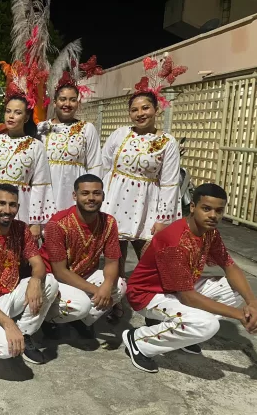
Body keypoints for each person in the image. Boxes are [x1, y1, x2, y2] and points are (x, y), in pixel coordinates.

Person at [123, 183, 257, 373]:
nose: (213, 215)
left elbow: (230, 265)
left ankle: (180, 332)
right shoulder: (175, 241)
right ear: (192, 207)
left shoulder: (210, 232)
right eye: (206, 208)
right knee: (207, 325)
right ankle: (138, 340)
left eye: (219, 211)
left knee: (236, 288)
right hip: (148, 295)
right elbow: (188, 297)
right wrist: (241, 315)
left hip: (178, 289)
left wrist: (252, 302)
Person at [0, 184, 59, 364]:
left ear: (18, 207)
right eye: (1, 204)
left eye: (12, 205)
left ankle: (25, 332)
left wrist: (35, 280)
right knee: (7, 351)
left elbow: (38, 264)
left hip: (11, 294)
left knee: (49, 282)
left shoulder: (21, 230)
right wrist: (8, 324)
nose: (7, 210)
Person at [101, 91, 182, 278]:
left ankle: (149, 299)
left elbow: (170, 182)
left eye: (145, 108)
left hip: (147, 207)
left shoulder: (167, 142)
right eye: (134, 110)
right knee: (114, 261)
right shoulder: (120, 134)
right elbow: (104, 167)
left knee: (152, 262)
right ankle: (116, 301)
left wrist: (163, 219)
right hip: (114, 204)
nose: (140, 113)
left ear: (156, 109)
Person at [41, 174, 125, 339]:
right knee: (82, 304)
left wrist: (107, 286)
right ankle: (48, 319)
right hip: (52, 279)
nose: (91, 198)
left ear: (103, 195)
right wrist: (97, 291)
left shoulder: (109, 222)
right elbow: (60, 272)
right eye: (85, 193)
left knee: (119, 285)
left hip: (83, 274)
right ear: (75, 196)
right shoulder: (58, 224)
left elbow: (112, 261)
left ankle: (82, 321)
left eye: (96, 193)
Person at [0, 95, 56, 240]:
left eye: (17, 112)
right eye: (8, 111)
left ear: (26, 117)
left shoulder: (36, 146)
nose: (11, 116)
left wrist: (35, 221)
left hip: (21, 207)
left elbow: (40, 184)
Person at [37, 83, 102, 211]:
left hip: (75, 191)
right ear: (55, 103)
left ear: (77, 104)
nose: (67, 104)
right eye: (63, 99)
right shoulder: (41, 128)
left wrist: (92, 196)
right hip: (46, 192)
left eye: (72, 100)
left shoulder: (87, 129)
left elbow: (95, 165)